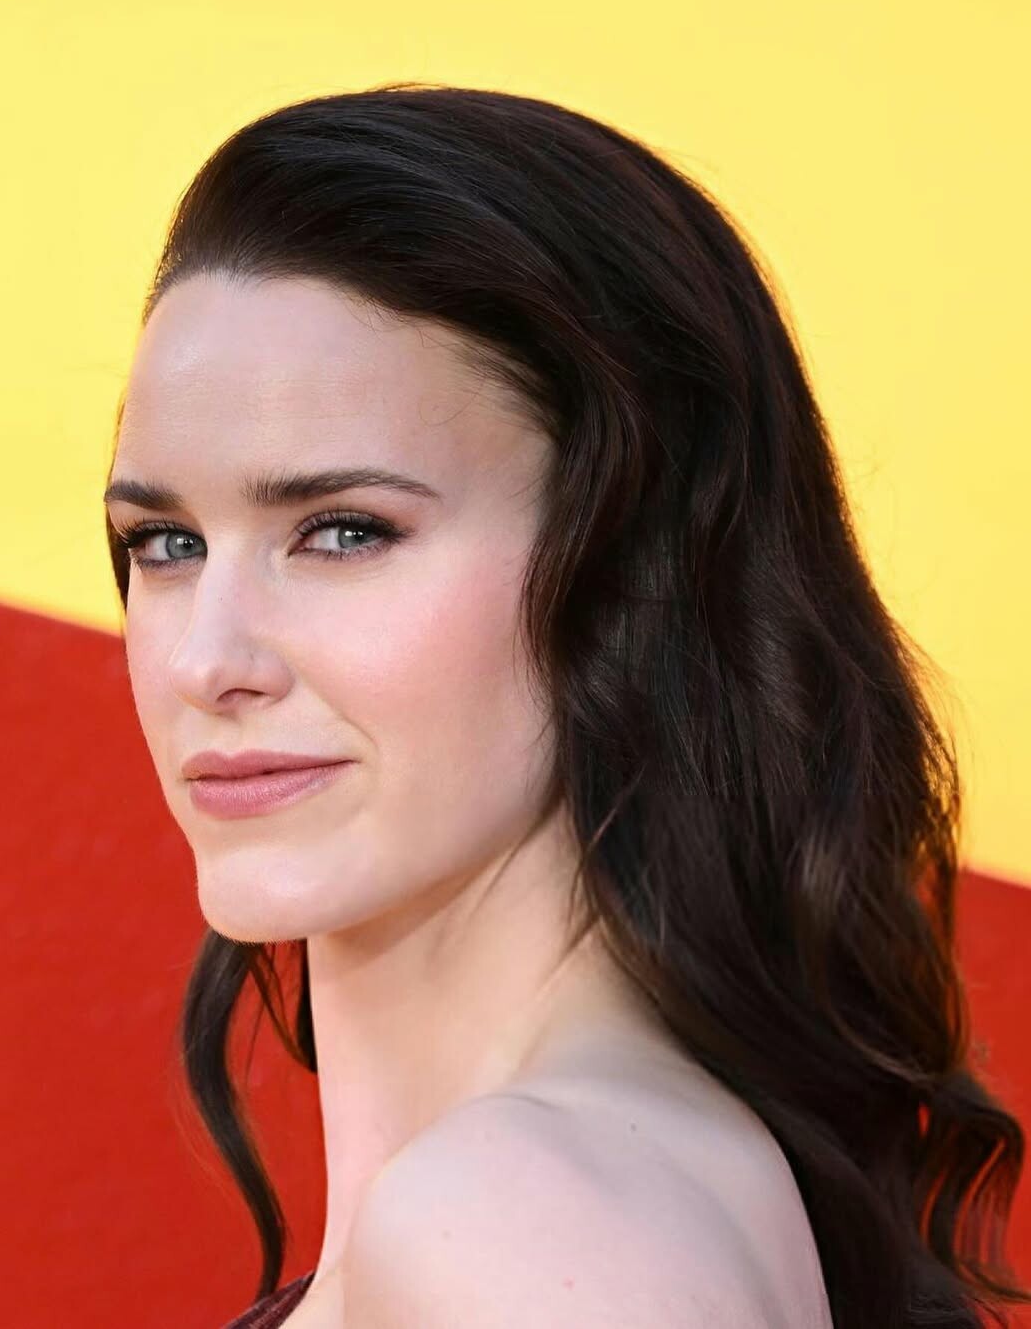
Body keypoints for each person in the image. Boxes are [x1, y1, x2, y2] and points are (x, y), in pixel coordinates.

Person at [101, 83, 1031, 1329]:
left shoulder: (514, 1227)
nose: (206, 659)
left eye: (344, 530)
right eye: (165, 543)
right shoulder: (562, 1198)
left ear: (631, 569)